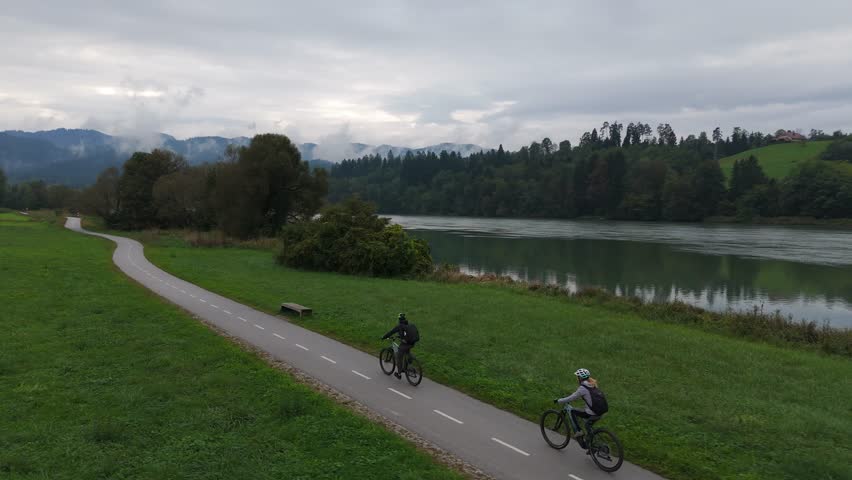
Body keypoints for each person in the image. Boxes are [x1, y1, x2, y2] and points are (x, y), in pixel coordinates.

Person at [554, 368, 609, 448]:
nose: (577, 378)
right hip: (600, 411)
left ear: (580, 378)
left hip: (592, 412)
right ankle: (590, 442)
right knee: (587, 421)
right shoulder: (592, 384)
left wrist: (559, 400)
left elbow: (571, 398)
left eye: (577, 377)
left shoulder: (583, 388)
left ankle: (580, 433)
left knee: (573, 411)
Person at [381, 313, 419, 379]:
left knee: (399, 357)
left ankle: (399, 374)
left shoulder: (399, 326)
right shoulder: (409, 325)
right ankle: (409, 363)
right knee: (407, 352)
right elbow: (405, 334)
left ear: (399, 320)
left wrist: (384, 337)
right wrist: (400, 336)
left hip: (406, 343)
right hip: (412, 343)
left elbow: (391, 332)